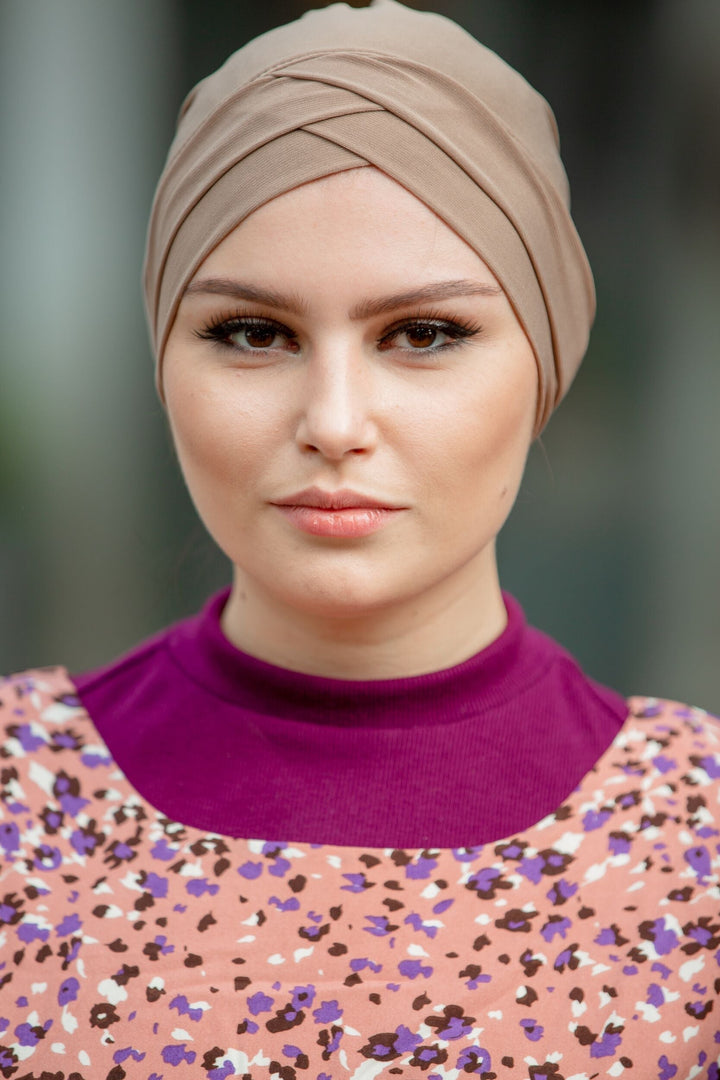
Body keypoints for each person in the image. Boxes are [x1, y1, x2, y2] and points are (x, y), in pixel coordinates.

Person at [1, 1, 718, 1077]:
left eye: (424, 335)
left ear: (549, 363)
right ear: (163, 360)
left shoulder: (699, 843)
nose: (334, 421)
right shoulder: (17, 802)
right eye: (253, 333)